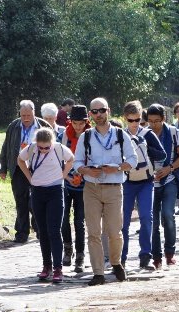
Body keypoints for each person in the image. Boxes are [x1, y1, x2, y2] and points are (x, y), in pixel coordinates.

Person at [73, 98, 137, 285]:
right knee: (93, 232)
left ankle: (116, 262)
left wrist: (117, 167)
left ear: (108, 110)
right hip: (91, 187)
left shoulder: (120, 134)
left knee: (115, 232)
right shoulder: (86, 136)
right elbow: (77, 162)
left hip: (114, 187)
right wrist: (85, 170)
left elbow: (133, 160)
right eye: (94, 112)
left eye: (101, 110)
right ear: (90, 115)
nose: (98, 114)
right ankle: (98, 272)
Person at [19, 127, 74, 283]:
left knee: (54, 230)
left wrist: (63, 176)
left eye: (46, 147)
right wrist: (30, 178)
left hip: (55, 190)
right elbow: (20, 160)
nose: (43, 150)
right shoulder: (31, 148)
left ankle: (58, 268)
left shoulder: (58, 148)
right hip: (37, 191)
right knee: (42, 231)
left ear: (52, 142)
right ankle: (46, 266)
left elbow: (71, 159)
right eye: (40, 147)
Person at [0, 101, 52, 243]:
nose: (26, 118)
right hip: (18, 168)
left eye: (28, 115)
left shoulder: (44, 126)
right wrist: (3, 167)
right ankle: (22, 233)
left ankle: (40, 229)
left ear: (34, 112)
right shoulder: (13, 126)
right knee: (20, 201)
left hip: (38, 168)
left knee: (36, 201)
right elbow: (6, 147)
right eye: (23, 115)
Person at [146, 103, 179, 269]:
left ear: (163, 119)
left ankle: (170, 252)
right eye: (150, 121)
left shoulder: (173, 132)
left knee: (168, 215)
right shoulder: (144, 134)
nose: (153, 125)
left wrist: (169, 168)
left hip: (170, 179)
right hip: (149, 183)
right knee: (153, 221)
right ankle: (156, 256)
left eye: (157, 121)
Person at [121, 101, 160, 270]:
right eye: (131, 120)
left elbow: (162, 155)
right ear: (125, 119)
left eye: (137, 120)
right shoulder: (119, 135)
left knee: (146, 217)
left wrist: (144, 145)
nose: (134, 124)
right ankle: (120, 258)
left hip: (145, 182)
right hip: (126, 183)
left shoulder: (148, 134)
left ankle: (145, 256)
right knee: (123, 222)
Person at [60, 105, 89, 272]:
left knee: (79, 221)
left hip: (84, 184)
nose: (78, 127)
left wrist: (82, 176)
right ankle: (67, 248)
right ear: (71, 122)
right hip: (66, 181)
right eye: (75, 123)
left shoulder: (90, 136)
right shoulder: (63, 136)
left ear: (86, 122)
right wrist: (68, 177)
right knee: (64, 219)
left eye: (81, 123)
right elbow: (57, 159)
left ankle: (80, 255)